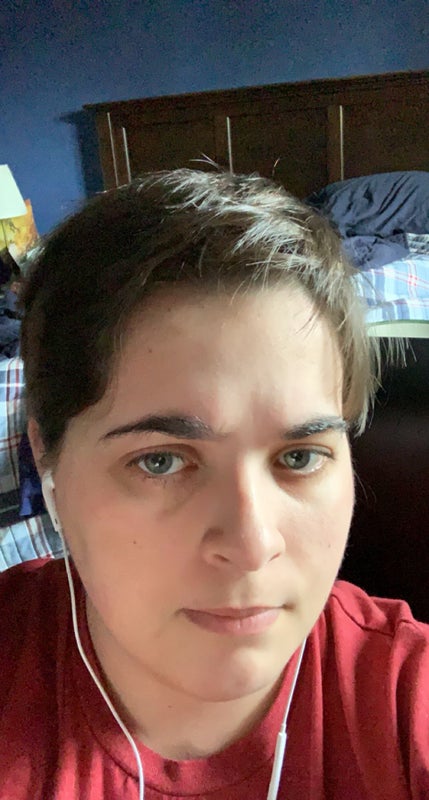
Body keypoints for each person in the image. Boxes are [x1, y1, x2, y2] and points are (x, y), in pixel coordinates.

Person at [0, 168, 427, 800]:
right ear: (47, 458)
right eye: (160, 462)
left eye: (300, 456)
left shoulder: (405, 700)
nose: (252, 546)